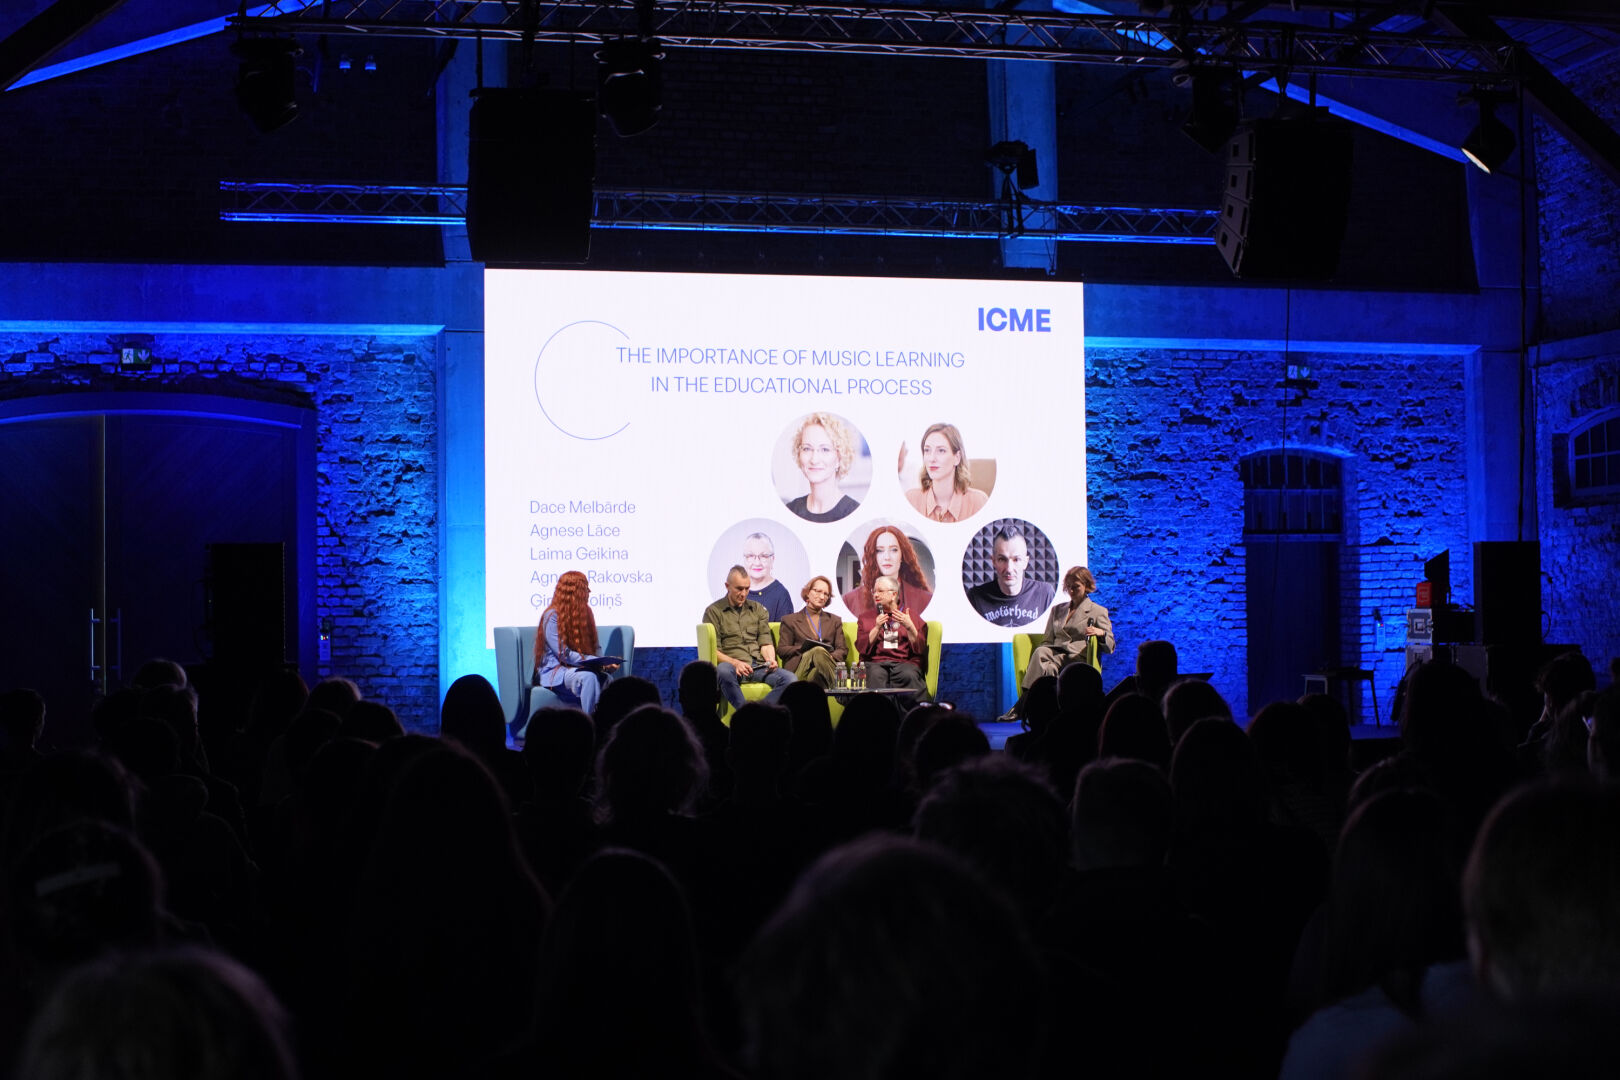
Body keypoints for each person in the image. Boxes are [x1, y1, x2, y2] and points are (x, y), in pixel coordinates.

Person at [705, 565, 796, 708]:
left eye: (747, 589)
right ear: (727, 586)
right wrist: (735, 663)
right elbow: (714, 651)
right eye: (739, 589)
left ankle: (757, 712)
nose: (743, 593)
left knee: (790, 679)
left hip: (758, 666)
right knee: (723, 671)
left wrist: (770, 659)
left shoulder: (757, 609)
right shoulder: (714, 611)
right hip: (733, 667)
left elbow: (765, 642)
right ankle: (745, 712)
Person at [533, 570, 619, 715]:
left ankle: (607, 722)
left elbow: (595, 646)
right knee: (588, 677)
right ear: (574, 591)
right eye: (585, 587)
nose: (589, 591)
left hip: (578, 668)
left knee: (607, 679)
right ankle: (589, 723)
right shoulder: (552, 616)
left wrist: (604, 664)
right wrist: (596, 663)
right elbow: (564, 654)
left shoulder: (586, 613)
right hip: (557, 672)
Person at [855, 575, 929, 702]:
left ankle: (912, 713)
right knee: (875, 675)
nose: (876, 595)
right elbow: (862, 648)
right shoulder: (865, 618)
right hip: (875, 662)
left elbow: (920, 649)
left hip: (904, 662)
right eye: (874, 591)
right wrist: (877, 627)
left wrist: (910, 626)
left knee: (908, 674)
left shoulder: (909, 616)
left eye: (880, 591)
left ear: (894, 594)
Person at [966, 526, 1054, 627]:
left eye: (1016, 560)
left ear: (1025, 562)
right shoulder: (975, 598)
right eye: (1002, 559)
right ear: (993, 561)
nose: (1009, 569)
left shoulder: (1045, 594)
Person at [903, 422, 990, 522]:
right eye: (927, 450)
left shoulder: (978, 502)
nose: (932, 458)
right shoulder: (911, 500)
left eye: (941, 451)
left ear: (957, 458)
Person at [842, 526, 934, 619]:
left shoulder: (925, 599)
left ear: (902, 555)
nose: (887, 557)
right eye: (879, 550)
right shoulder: (850, 601)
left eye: (894, 550)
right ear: (874, 556)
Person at [785, 412, 861, 523]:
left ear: (839, 458)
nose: (814, 460)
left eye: (825, 449)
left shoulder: (853, 513)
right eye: (807, 449)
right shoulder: (791, 510)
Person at [777, 575, 848, 688]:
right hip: (799, 668)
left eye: (826, 594)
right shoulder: (790, 620)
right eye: (818, 591)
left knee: (816, 673)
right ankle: (842, 691)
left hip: (823, 669)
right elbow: (782, 650)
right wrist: (804, 648)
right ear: (808, 592)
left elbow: (842, 650)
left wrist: (829, 657)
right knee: (817, 650)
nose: (822, 597)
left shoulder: (834, 620)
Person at [742, 531, 794, 620]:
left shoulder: (781, 595)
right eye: (750, 556)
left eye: (764, 556)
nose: (757, 562)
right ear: (744, 559)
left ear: (772, 559)